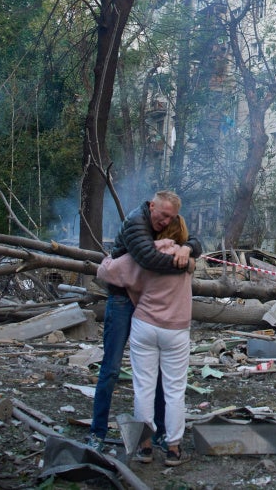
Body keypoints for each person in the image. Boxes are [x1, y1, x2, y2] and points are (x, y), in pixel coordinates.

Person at [89, 191, 202, 451]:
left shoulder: (166, 231)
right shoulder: (135, 224)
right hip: (122, 299)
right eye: (162, 216)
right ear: (151, 207)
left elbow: (194, 239)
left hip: (145, 303)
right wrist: (185, 263)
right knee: (112, 368)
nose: (165, 221)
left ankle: (157, 435)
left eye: (170, 218)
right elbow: (148, 260)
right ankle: (97, 432)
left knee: (153, 378)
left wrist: (187, 248)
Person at [97, 237, 194, 466]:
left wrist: (114, 254)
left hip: (145, 326)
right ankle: (173, 449)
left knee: (143, 389)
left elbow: (105, 272)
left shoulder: (143, 254)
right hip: (176, 329)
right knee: (174, 391)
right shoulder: (184, 257)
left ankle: (145, 447)